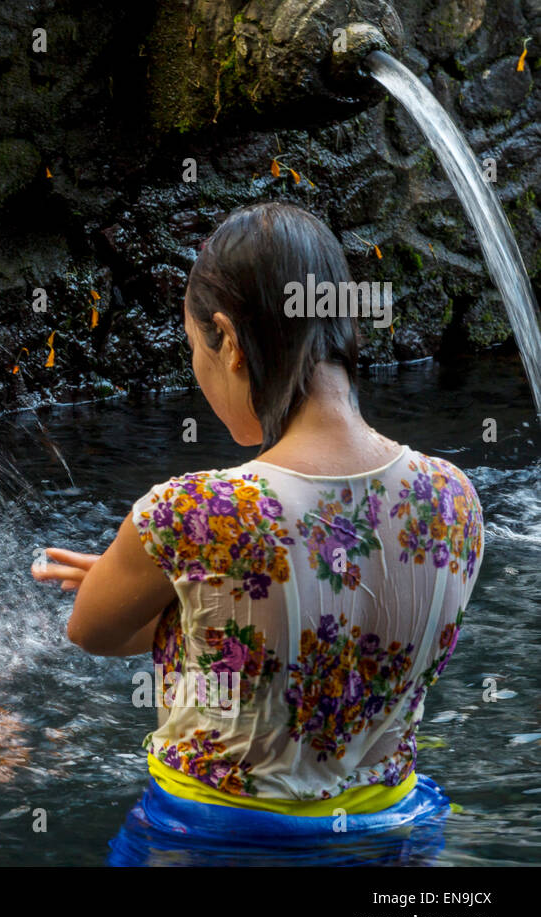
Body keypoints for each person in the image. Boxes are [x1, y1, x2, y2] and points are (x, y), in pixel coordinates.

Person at [33, 202, 484, 864]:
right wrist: (187, 587)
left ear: (229, 338)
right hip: (393, 838)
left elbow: (90, 631)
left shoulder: (191, 513)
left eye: (195, 348)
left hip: (214, 842)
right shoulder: (453, 497)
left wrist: (153, 582)